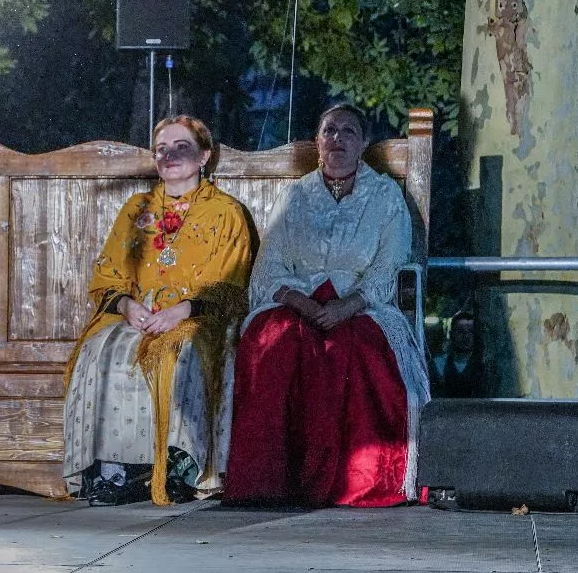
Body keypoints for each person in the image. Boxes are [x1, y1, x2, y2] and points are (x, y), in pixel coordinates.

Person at [224, 103, 431, 507]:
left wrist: (348, 305)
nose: (337, 139)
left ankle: (356, 480)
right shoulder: (296, 195)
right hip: (297, 301)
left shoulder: (386, 196)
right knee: (276, 340)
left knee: (355, 347)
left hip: (362, 305)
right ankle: (272, 480)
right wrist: (297, 300)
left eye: (348, 131)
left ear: (364, 143)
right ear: (317, 142)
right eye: (329, 131)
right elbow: (270, 264)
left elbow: (390, 264)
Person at [62, 116, 254, 506]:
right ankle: (116, 471)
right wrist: (126, 305)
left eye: (181, 147)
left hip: (197, 316)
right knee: (105, 349)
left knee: (179, 352)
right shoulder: (137, 208)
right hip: (140, 313)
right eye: (161, 149)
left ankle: (181, 467)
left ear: (204, 156)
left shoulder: (226, 212)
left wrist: (185, 309)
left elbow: (231, 281)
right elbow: (108, 272)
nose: (169, 155)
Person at [431, 310, 481, 398]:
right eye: (461, 332)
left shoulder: (484, 366)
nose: (466, 336)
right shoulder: (438, 365)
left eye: (471, 332)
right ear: (451, 335)